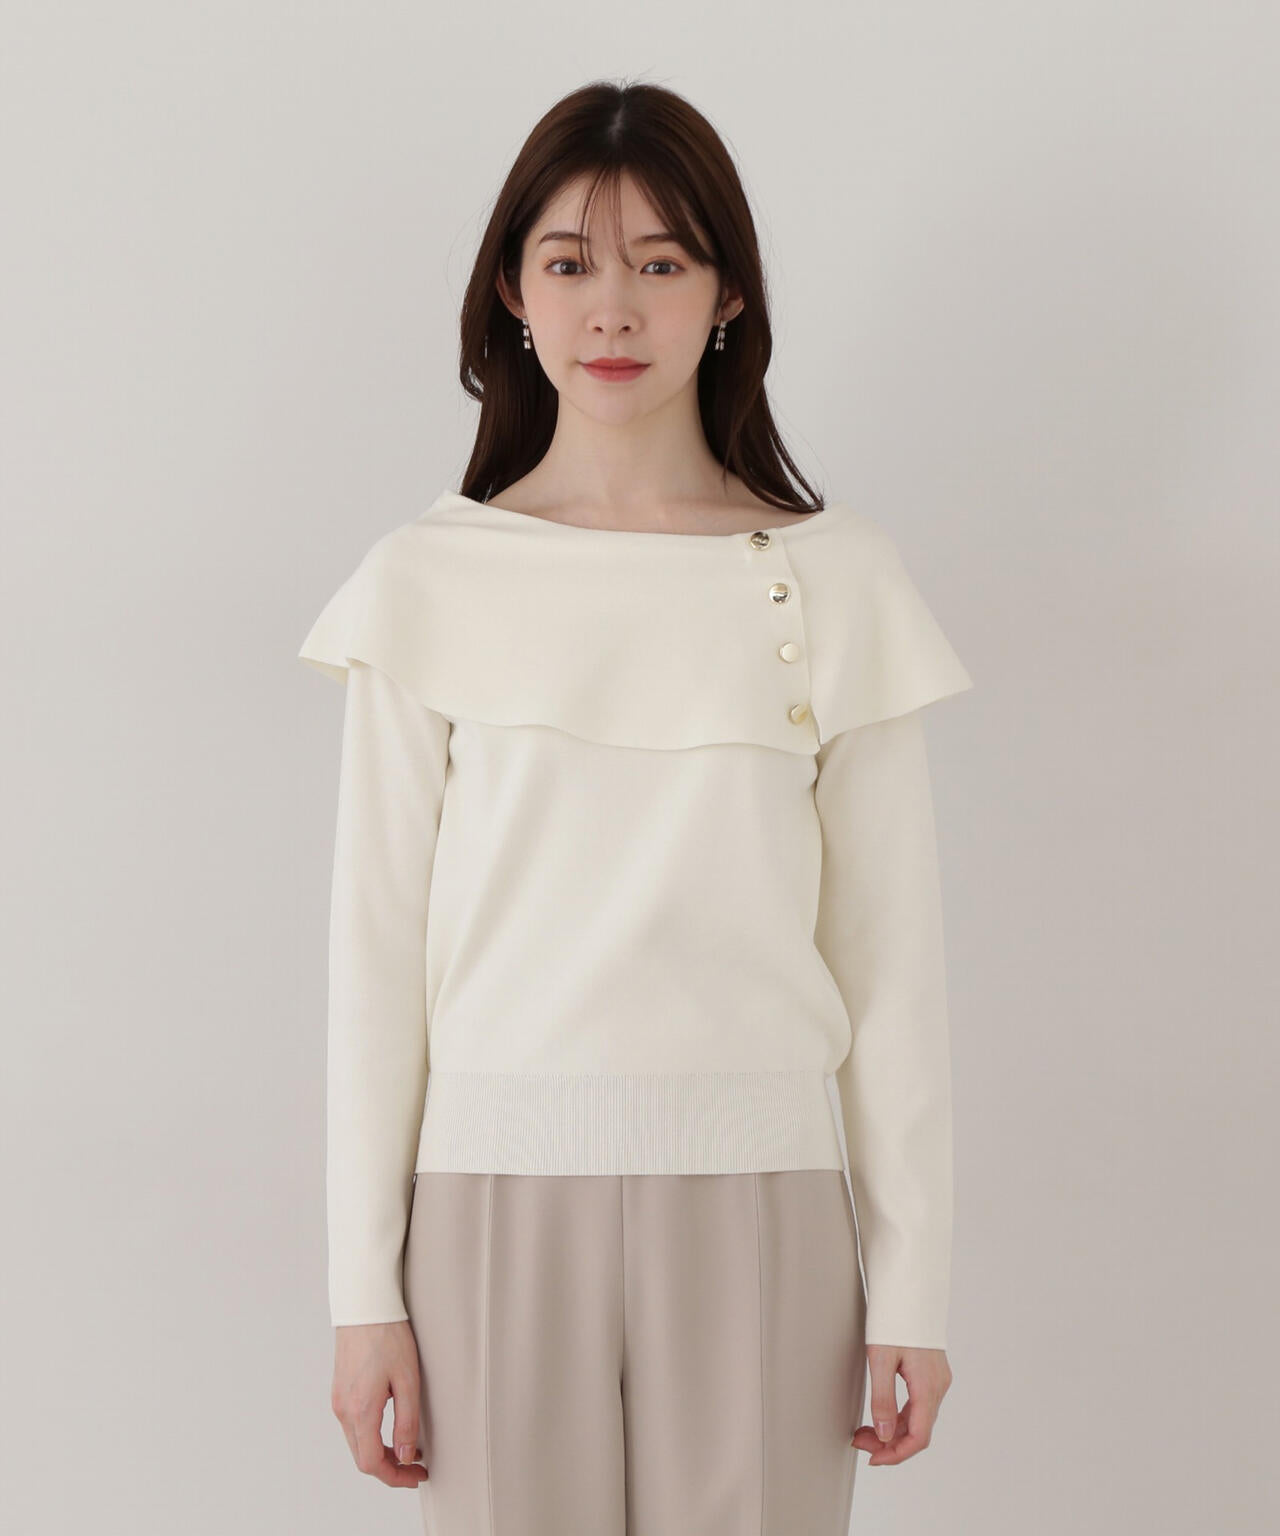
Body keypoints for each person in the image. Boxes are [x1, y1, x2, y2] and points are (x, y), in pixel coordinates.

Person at [298, 78, 973, 1536]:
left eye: (661, 263)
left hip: (766, 1201)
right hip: (488, 1202)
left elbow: (893, 970)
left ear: (727, 295)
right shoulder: (427, 579)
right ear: (513, 291)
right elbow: (375, 964)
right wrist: (365, 1294)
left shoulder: (836, 580)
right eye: (571, 262)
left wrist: (913, 1289)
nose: (613, 308)